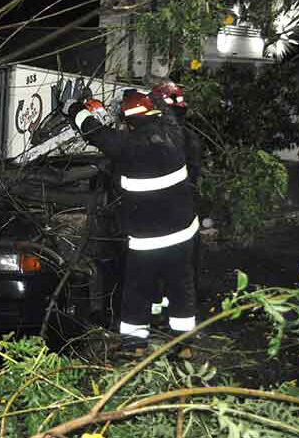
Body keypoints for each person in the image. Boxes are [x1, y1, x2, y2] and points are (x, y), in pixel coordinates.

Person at [63, 90, 199, 355]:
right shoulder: (174, 134)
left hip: (148, 237)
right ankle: (184, 347)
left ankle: (135, 346)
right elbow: (161, 113)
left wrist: (74, 109)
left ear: (129, 122)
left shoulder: (126, 146)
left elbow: (96, 133)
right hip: (183, 232)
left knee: (137, 289)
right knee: (181, 286)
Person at [152, 80, 205, 305]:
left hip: (161, 215)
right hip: (186, 213)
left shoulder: (160, 141)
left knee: (156, 266)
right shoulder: (189, 138)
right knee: (183, 269)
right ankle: (179, 308)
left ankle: (157, 309)